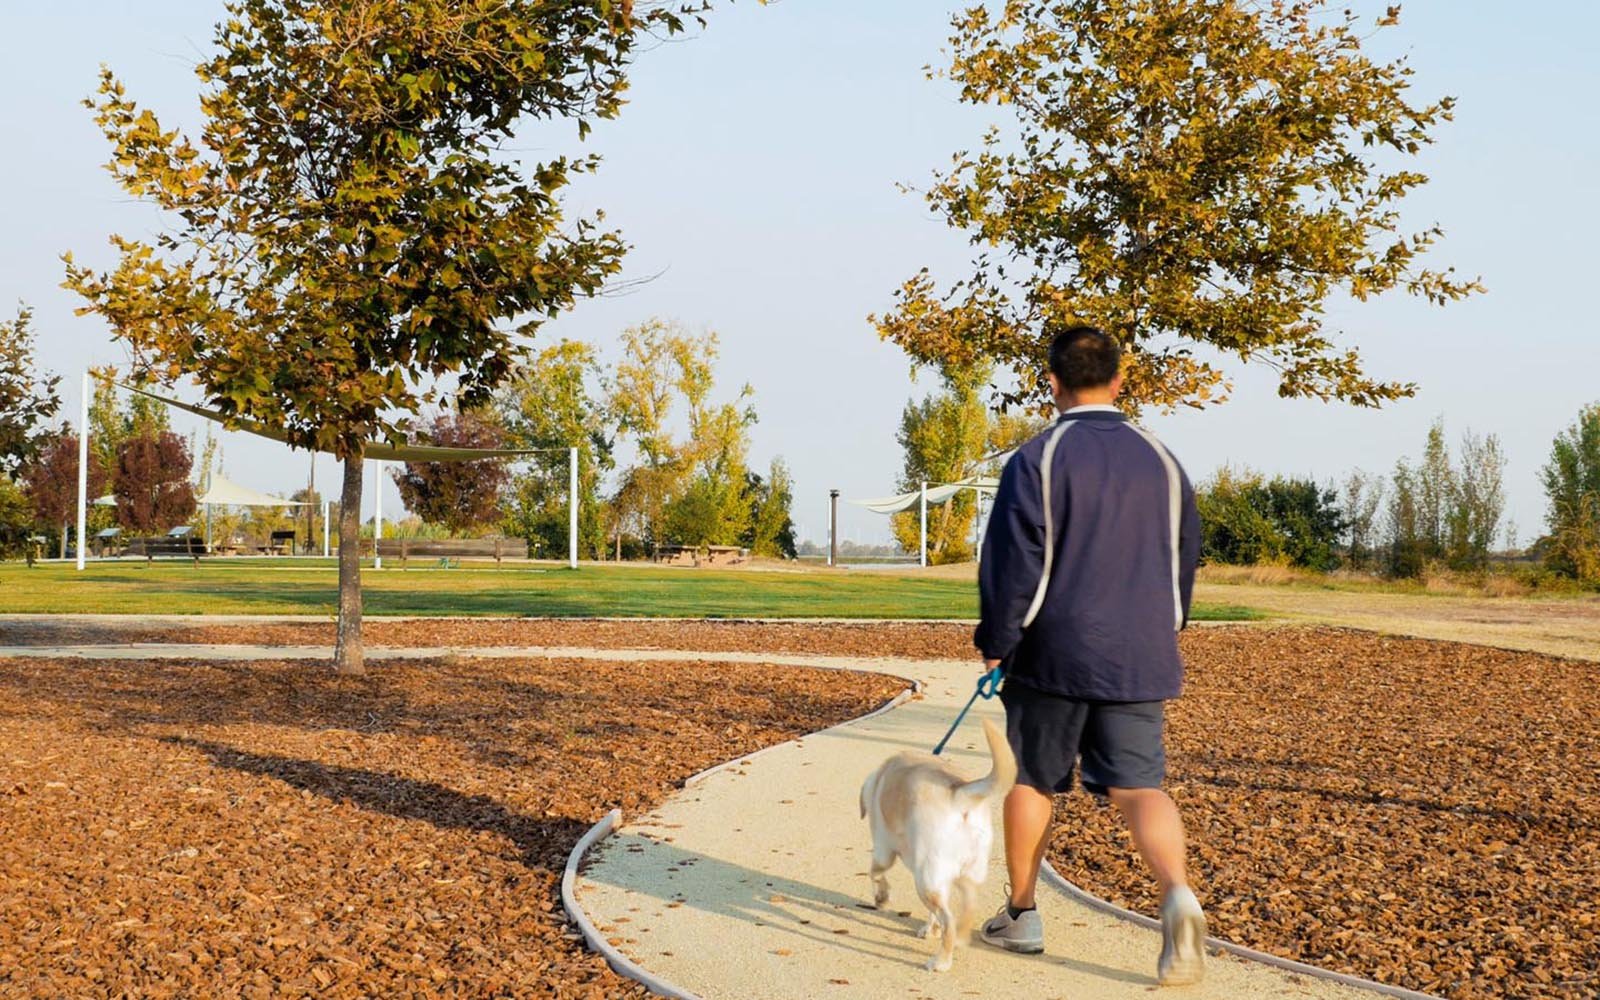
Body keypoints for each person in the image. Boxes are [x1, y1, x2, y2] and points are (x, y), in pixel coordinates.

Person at [973, 324, 1206, 986]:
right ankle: (1177, 894)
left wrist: (997, 642)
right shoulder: (1161, 458)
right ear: (1119, 379)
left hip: (1054, 649)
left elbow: (1013, 559)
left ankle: (1020, 914)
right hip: (1140, 648)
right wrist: (1171, 621)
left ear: (1051, 383)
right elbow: (1185, 548)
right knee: (1140, 787)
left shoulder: (1037, 458)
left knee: (1031, 779)